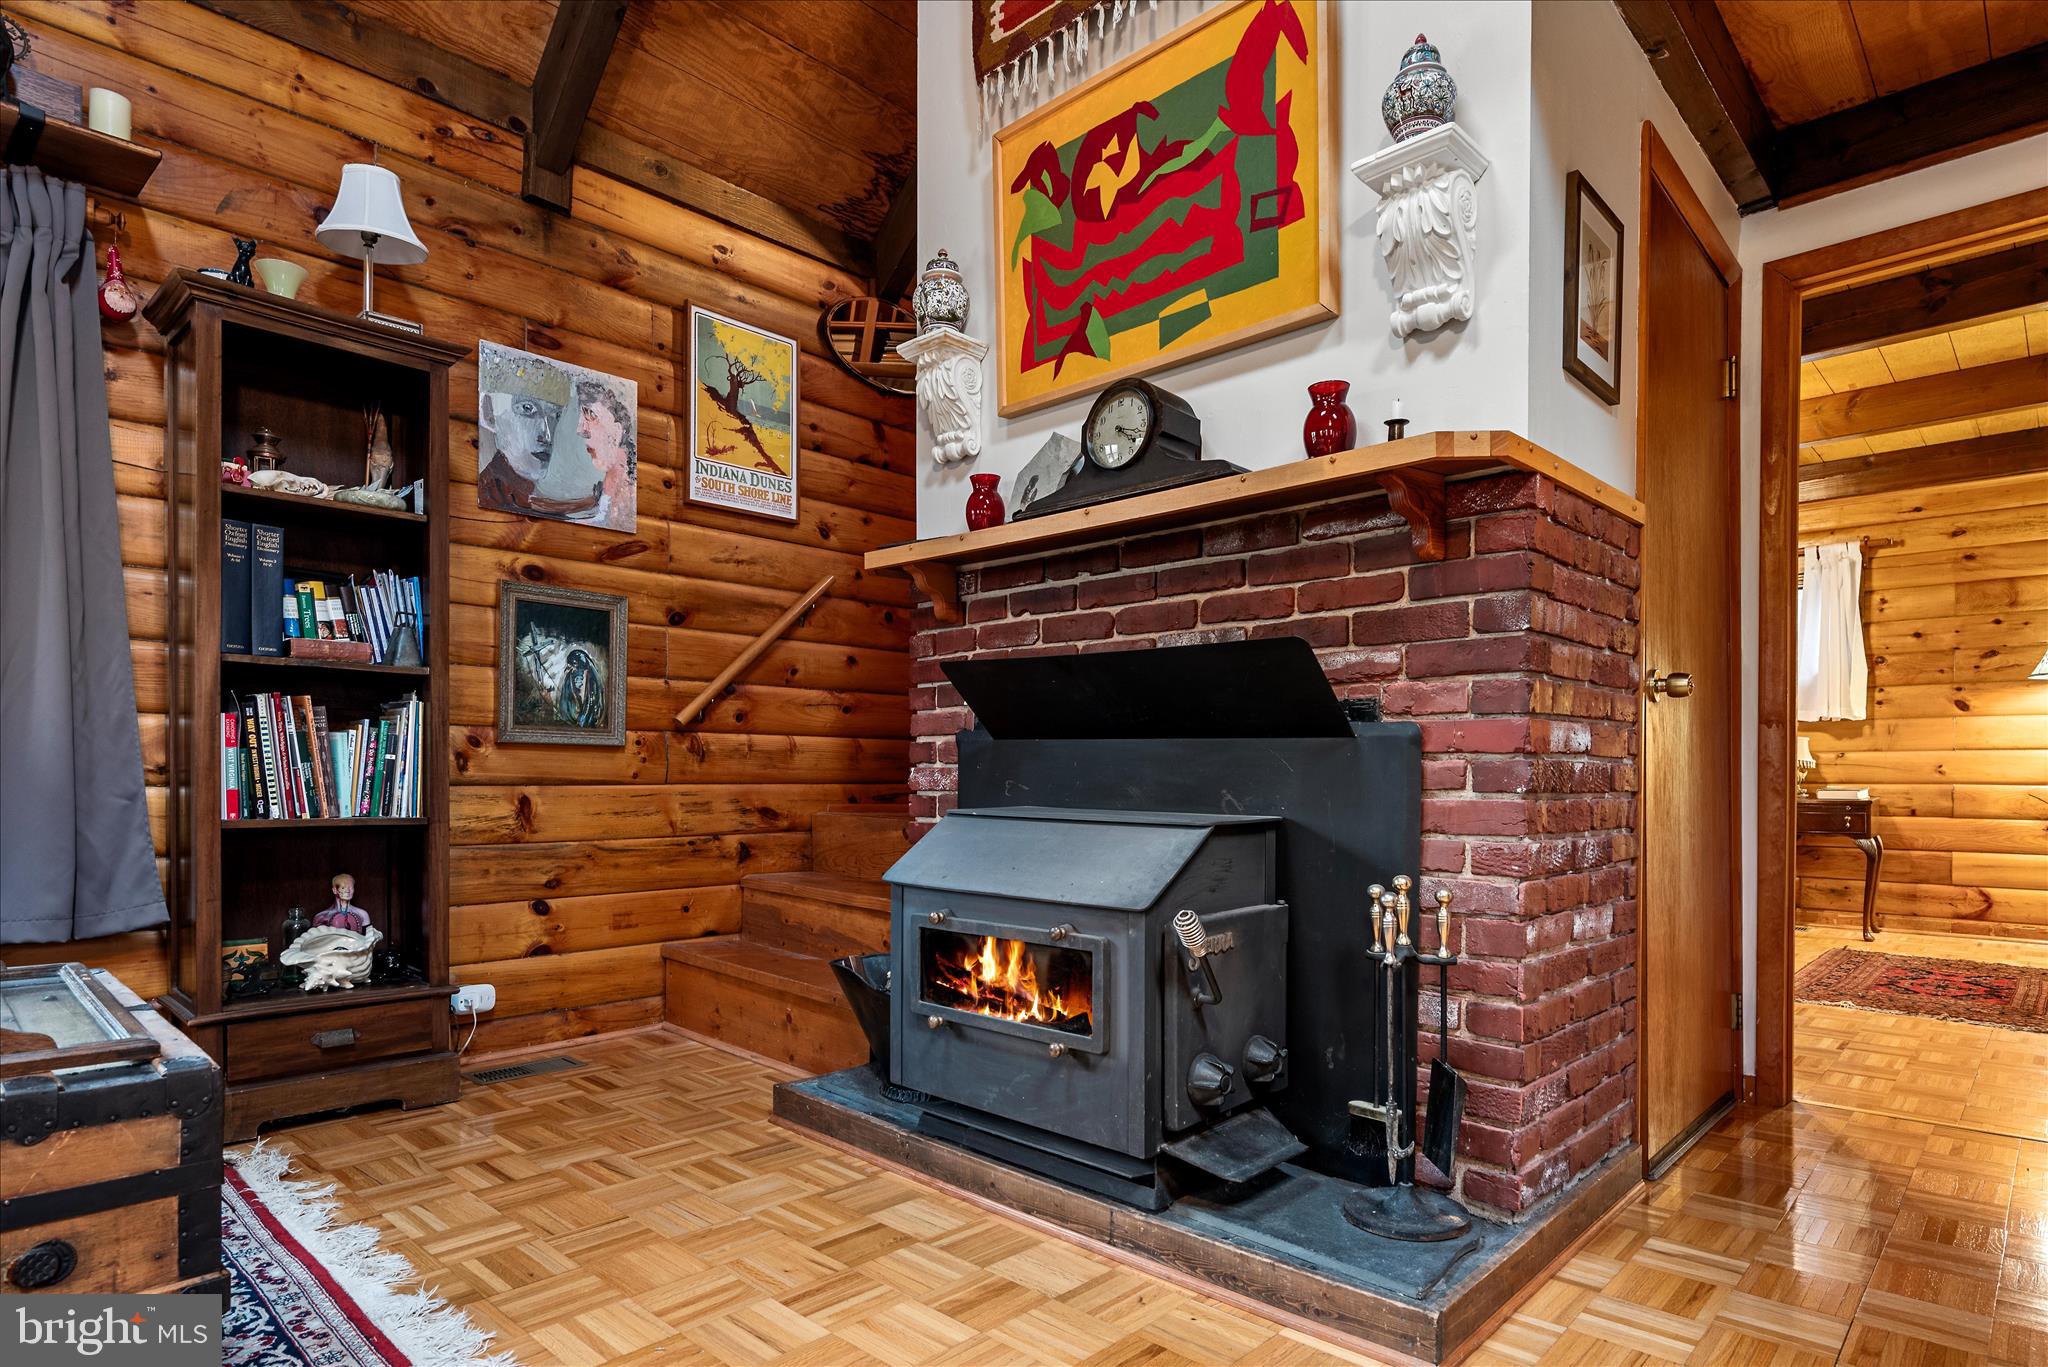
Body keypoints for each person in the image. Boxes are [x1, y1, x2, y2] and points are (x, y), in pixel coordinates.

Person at [575, 379, 637, 528]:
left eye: (591, 414)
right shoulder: (601, 492)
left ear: (618, 430)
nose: (581, 430)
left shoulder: (630, 498)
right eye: (582, 416)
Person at [558, 648, 605, 728]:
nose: (578, 682)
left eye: (580, 673)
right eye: (575, 674)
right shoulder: (568, 682)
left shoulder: (592, 683)